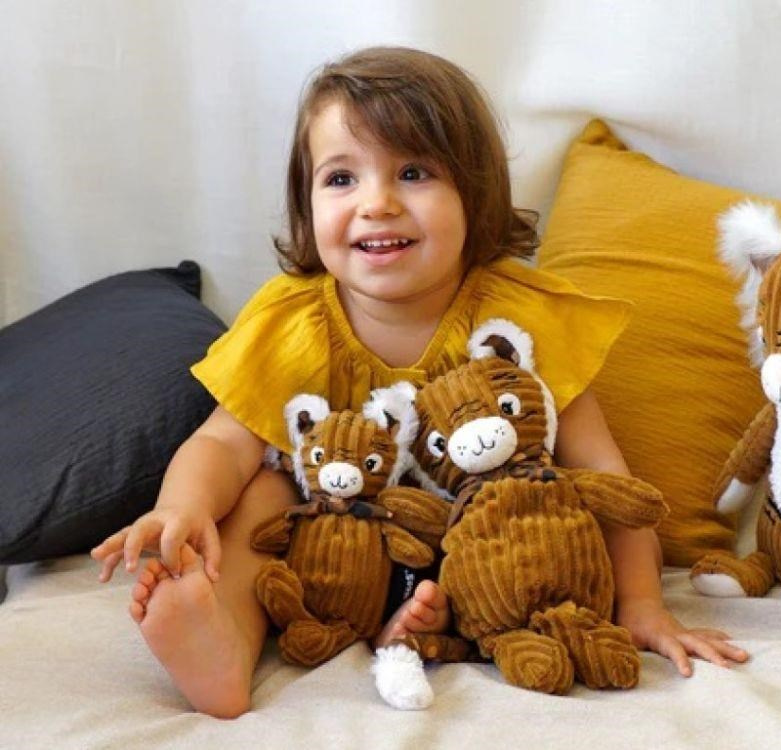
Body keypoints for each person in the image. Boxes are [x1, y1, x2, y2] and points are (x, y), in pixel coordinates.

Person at [91, 46, 747, 719]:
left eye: (412, 172)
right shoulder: (295, 322)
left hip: (490, 553)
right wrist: (181, 508)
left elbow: (606, 477)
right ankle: (224, 637)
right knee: (265, 488)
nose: (376, 204)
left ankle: (427, 623)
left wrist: (641, 604)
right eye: (341, 179)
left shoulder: (520, 318)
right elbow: (221, 443)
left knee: (541, 507)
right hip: (338, 549)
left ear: (474, 193)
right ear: (306, 205)